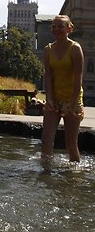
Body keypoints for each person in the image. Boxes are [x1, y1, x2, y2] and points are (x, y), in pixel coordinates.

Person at [41, 15, 84, 163]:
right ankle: (45, 173)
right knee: (46, 140)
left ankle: (74, 176)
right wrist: (49, 99)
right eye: (54, 26)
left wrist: (73, 102)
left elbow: (78, 78)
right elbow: (48, 76)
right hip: (54, 98)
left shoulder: (75, 48)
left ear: (69, 29)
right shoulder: (48, 49)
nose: (56, 29)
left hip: (72, 98)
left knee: (71, 144)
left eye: (60, 26)